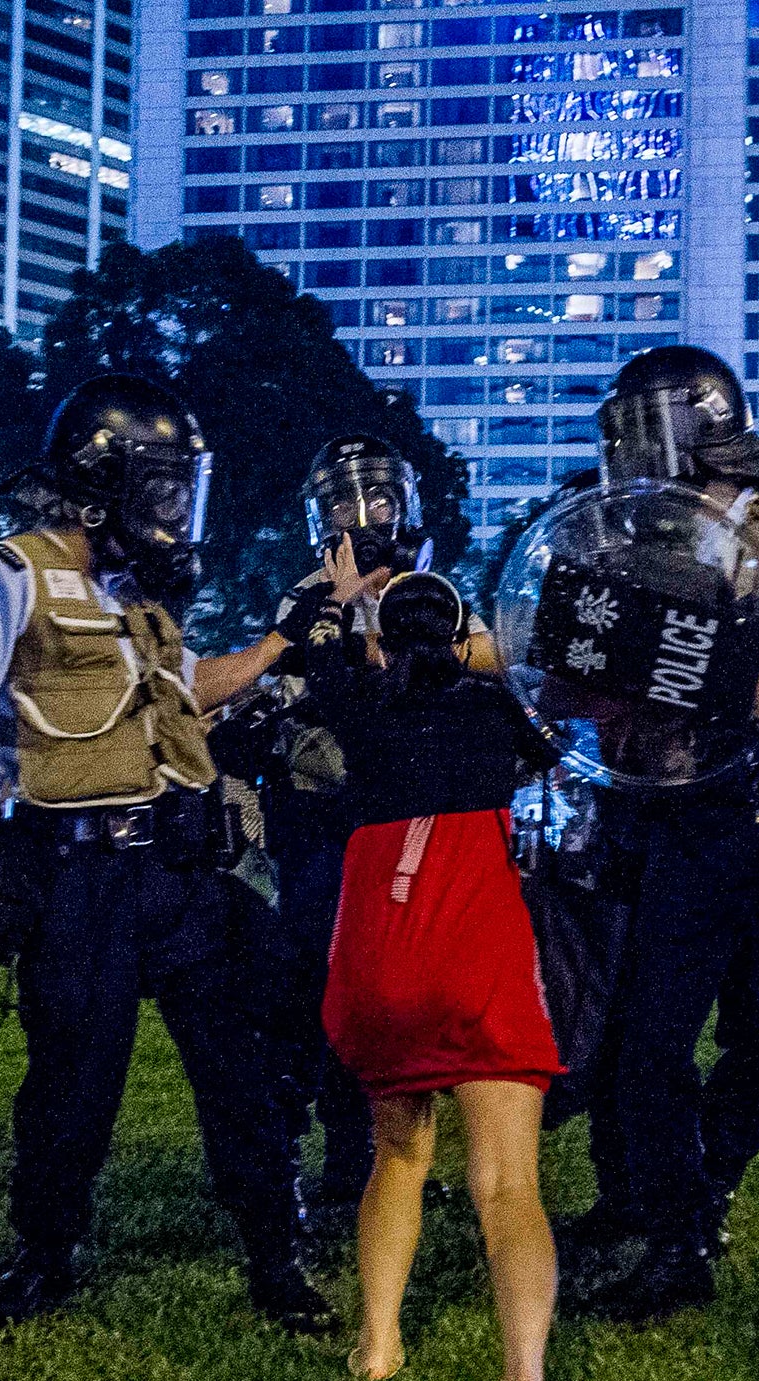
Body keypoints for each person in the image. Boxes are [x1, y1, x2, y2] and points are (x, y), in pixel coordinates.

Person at [0, 374, 332, 1336]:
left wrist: (280, 639)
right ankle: (43, 1257)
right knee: (73, 1081)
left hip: (177, 867)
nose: (176, 510)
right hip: (80, 869)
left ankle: (277, 1252)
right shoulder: (12, 572)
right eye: (163, 488)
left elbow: (179, 694)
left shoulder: (139, 595)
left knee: (239, 1064)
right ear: (99, 482)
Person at [569, 345, 759, 1381]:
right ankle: (677, 1241)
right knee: (647, 1048)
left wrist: (637, 650)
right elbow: (565, 680)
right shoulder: (607, 540)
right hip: (674, 824)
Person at [306, 559, 560, 1381]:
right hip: (471, 937)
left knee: (397, 1154)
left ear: (382, 643)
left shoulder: (359, 704)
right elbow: (546, 719)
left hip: (379, 944)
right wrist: (473, 656)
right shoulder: (495, 712)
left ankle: (377, 1342)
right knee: (506, 1187)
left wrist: (347, 607)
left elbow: (335, 658)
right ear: (459, 640)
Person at [260, 435, 499, 1224]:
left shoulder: (434, 591)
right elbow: (303, 683)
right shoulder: (305, 595)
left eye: (380, 501)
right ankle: (304, 1150)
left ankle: (380, 1150)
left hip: (400, 814)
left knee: (394, 988)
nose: (366, 519)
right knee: (310, 977)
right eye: (344, 505)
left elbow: (473, 672)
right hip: (320, 810)